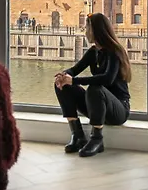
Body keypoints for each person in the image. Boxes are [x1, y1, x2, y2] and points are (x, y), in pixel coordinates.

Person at [54, 12, 131, 157]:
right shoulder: (93, 52)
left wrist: (74, 80)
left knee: (95, 88)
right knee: (61, 84)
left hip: (118, 110)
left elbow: (107, 79)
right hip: (97, 107)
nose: (85, 32)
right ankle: (77, 135)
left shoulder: (115, 52)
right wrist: (64, 75)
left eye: (87, 28)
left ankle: (97, 139)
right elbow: (74, 70)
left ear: (96, 30)